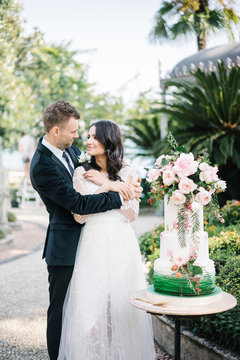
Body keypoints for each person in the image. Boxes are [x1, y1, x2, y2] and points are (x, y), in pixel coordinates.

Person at [30, 100, 141, 360]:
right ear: (56, 131)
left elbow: (97, 170)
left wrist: (109, 180)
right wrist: (117, 192)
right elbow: (78, 204)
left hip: (98, 242)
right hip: (66, 245)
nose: (78, 136)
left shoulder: (70, 149)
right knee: (62, 311)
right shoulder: (42, 166)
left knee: (102, 307)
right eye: (74, 131)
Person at [57, 120, 156, 360]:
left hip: (121, 242)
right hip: (93, 242)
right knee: (90, 305)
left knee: (120, 305)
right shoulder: (82, 172)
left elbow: (131, 214)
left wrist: (109, 183)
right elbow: (80, 216)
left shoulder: (129, 172)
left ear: (108, 141)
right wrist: (105, 188)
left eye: (94, 137)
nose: (88, 141)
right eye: (88, 136)